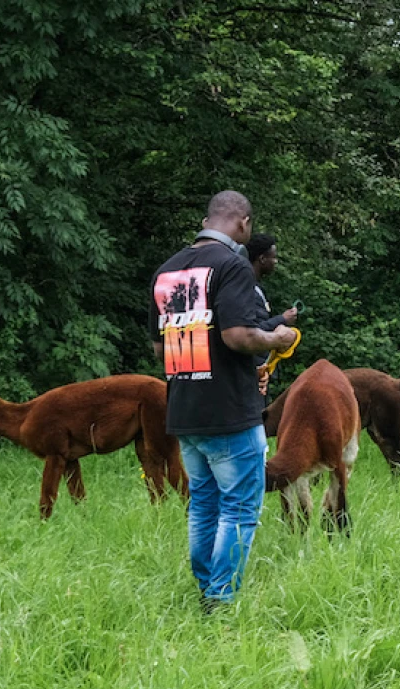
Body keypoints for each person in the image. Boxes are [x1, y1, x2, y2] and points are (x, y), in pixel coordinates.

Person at [148, 191, 297, 612]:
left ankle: (206, 588)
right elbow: (238, 335)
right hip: (229, 412)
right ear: (244, 223)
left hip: (184, 410)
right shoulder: (233, 265)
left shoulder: (167, 270)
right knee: (239, 508)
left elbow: (160, 350)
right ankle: (220, 598)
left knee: (203, 505)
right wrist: (277, 337)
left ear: (206, 220)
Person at [246, 233, 298, 397]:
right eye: (273, 257)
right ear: (262, 259)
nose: (276, 262)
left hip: (261, 372)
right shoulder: (247, 289)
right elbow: (251, 330)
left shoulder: (257, 287)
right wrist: (283, 319)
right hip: (252, 374)